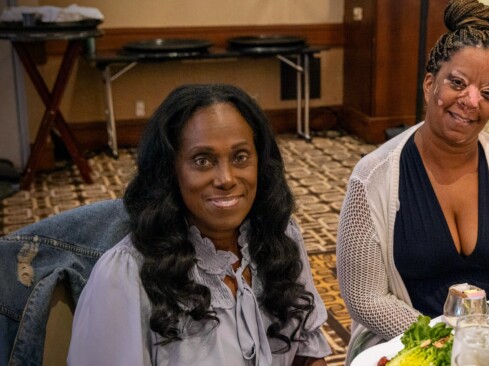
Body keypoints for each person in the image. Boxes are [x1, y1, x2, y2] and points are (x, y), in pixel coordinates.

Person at [336, 0, 489, 362]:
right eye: (457, 83)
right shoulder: (372, 178)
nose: (471, 101)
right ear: (430, 84)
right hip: (408, 345)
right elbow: (365, 299)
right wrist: (448, 341)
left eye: (488, 93)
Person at [68, 84, 331, 366]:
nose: (226, 178)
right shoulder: (126, 275)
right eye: (203, 160)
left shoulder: (279, 237)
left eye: (240, 157)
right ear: (171, 171)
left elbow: (306, 352)